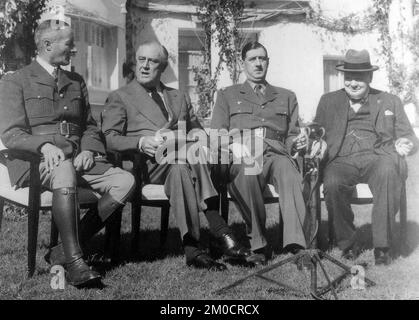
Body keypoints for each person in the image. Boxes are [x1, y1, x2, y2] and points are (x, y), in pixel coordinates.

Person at [0, 19, 135, 286]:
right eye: (69, 44)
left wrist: (89, 150)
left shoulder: (75, 81)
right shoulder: (16, 81)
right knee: (62, 168)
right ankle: (75, 264)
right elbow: (11, 133)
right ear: (47, 44)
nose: (73, 49)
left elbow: (90, 126)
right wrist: (44, 146)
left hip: (76, 159)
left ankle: (62, 251)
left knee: (125, 181)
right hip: (36, 162)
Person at [101, 41, 249, 271]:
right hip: (147, 163)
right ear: (135, 63)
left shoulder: (178, 96)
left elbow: (196, 127)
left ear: (163, 67)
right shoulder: (120, 96)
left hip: (179, 162)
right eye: (141, 60)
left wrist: (199, 134)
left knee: (182, 165)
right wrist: (140, 142)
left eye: (153, 61)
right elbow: (109, 137)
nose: (145, 66)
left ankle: (192, 250)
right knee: (188, 155)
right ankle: (219, 228)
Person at [313, 49, 419, 265]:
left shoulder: (389, 101)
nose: (352, 83)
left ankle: (383, 247)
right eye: (348, 77)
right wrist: (315, 141)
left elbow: (409, 135)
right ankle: (348, 244)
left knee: (389, 171)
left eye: (359, 78)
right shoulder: (328, 101)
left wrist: (406, 143)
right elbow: (317, 131)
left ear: (369, 78)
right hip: (341, 159)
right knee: (332, 183)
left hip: (379, 157)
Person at [210, 41, 310, 265]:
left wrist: (298, 141)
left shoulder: (286, 96)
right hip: (244, 152)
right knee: (247, 173)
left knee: (289, 173)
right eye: (252, 59)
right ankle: (259, 244)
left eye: (261, 59)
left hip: (276, 153)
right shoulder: (227, 94)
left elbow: (292, 134)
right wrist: (232, 144)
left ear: (267, 62)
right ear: (242, 63)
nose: (257, 64)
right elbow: (216, 133)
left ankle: (297, 245)